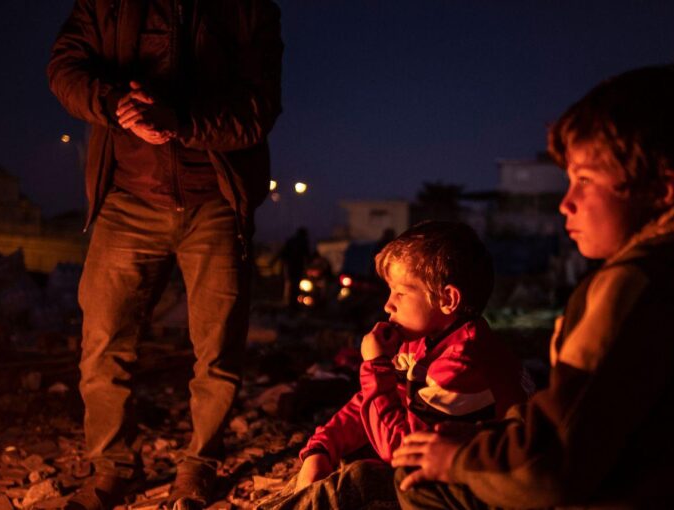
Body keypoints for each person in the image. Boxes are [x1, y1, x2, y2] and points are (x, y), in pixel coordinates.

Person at [391, 65, 674, 509]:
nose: (566, 203)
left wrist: (458, 458)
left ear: (662, 190)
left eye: (584, 180)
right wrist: (489, 438)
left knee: (421, 482)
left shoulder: (633, 286)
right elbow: (598, 421)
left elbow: (553, 465)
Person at [46, 0, 282, 508]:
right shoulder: (106, 5)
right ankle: (112, 467)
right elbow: (65, 69)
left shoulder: (248, 11)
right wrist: (116, 107)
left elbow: (258, 110)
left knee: (216, 349)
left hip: (215, 203)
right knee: (104, 344)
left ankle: (199, 465)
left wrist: (181, 122)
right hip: (127, 202)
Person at [261, 221, 530, 509]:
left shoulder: (465, 360)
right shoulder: (425, 339)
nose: (388, 305)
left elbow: (401, 451)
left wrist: (376, 364)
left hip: (486, 489)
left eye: (400, 293)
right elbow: (372, 403)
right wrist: (322, 448)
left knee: (356, 479)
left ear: (448, 299)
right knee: (335, 464)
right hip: (441, 467)